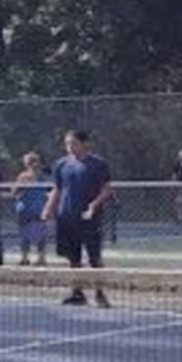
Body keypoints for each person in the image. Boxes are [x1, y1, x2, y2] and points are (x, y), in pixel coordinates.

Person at [42, 130, 115, 306]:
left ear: (84, 144)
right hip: (66, 217)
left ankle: (100, 293)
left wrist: (93, 205)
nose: (70, 147)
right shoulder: (61, 165)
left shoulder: (98, 164)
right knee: (73, 258)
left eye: (73, 143)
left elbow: (107, 189)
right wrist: (48, 209)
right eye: (67, 144)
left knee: (94, 257)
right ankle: (77, 293)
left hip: (89, 218)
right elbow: (57, 190)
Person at [12, 152, 50, 266]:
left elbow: (15, 191)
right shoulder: (44, 176)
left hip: (28, 208)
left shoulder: (24, 176)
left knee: (25, 234)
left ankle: (25, 257)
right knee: (39, 234)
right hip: (38, 208)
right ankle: (41, 257)